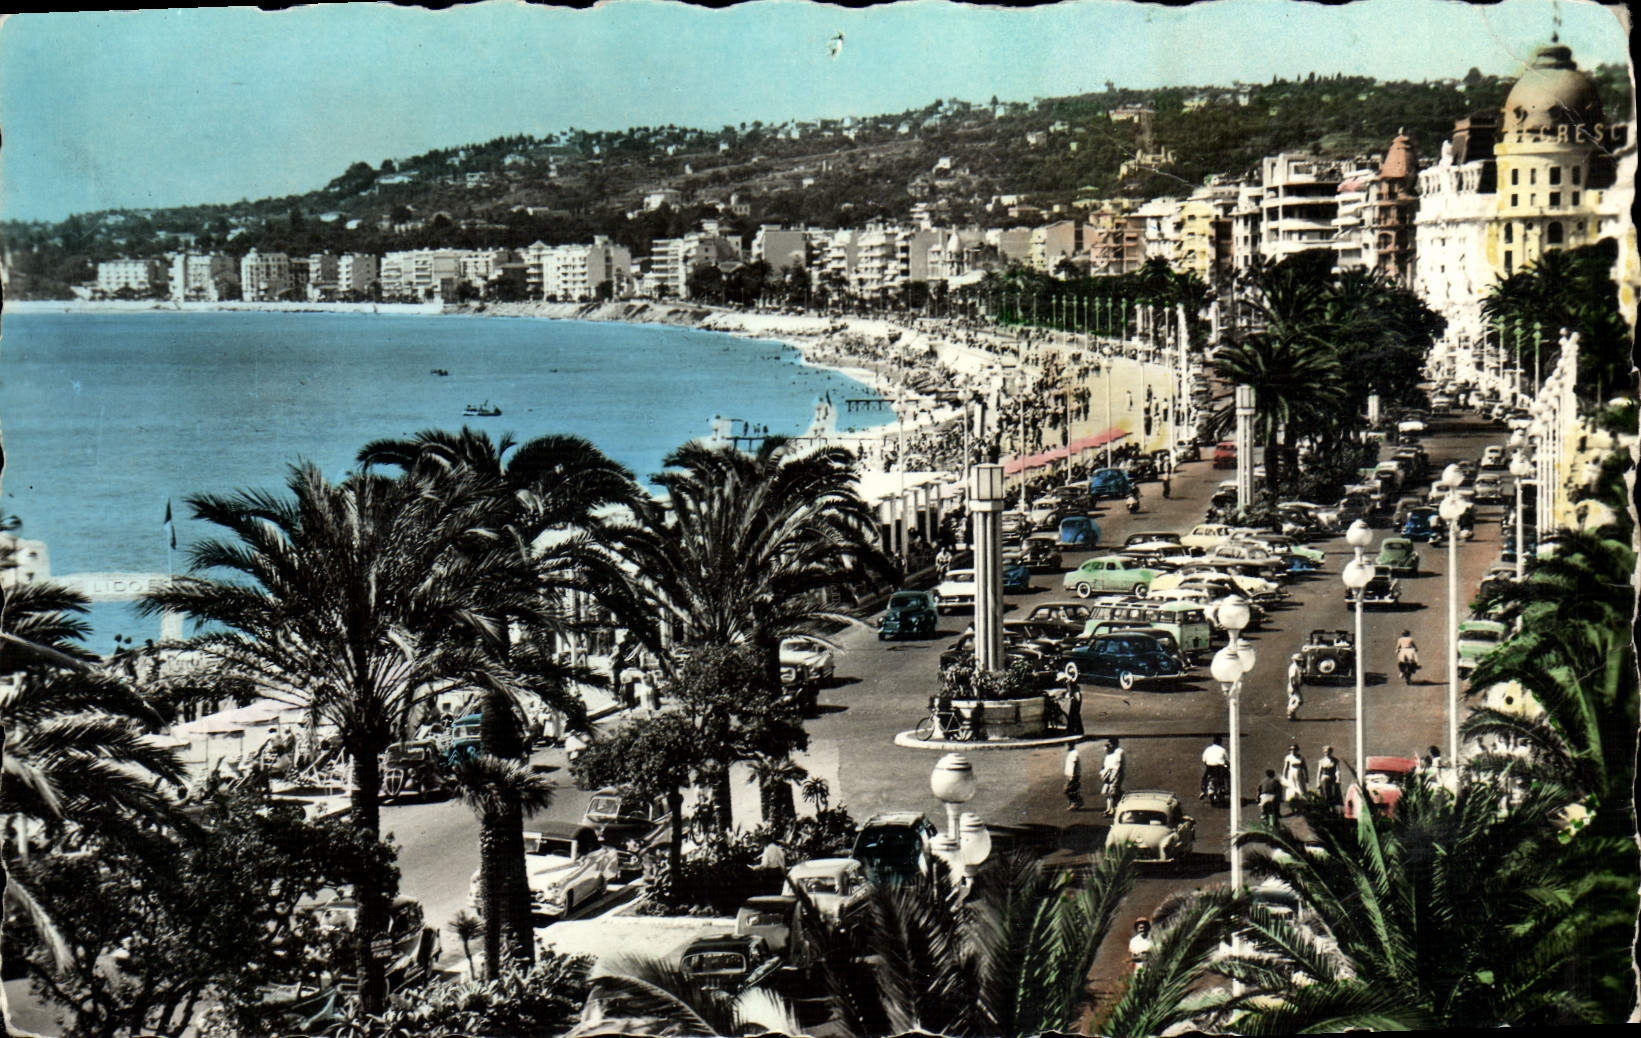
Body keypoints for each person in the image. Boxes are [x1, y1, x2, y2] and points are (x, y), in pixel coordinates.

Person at [1100, 738, 1126, 816]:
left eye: (1110, 744)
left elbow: (1117, 766)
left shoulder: (1119, 752)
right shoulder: (1109, 754)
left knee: (1113, 792)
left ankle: (1113, 810)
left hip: (1116, 773)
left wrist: (1113, 775)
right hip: (1108, 774)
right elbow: (1105, 765)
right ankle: (1109, 808)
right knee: (1108, 792)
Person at [1200, 735, 1230, 800]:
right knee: (1227, 776)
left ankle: (1203, 790)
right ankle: (1228, 788)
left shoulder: (1208, 749)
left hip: (1210, 767)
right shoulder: (1222, 750)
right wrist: (1228, 765)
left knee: (1205, 777)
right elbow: (1227, 760)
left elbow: (1204, 760)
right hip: (1220, 767)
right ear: (1220, 742)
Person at [1281, 744, 1309, 811]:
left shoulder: (1301, 757)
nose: (1292, 751)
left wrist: (1306, 776)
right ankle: (1293, 804)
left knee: (1300, 787)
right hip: (1291, 774)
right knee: (1292, 788)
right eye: (1291, 749)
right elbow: (1286, 768)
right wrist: (1284, 776)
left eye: (1294, 749)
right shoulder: (1288, 757)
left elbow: (1305, 768)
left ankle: (1302, 804)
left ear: (1297, 750)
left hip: (1299, 774)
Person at [1061, 672, 1084, 737]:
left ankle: (1073, 731)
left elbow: (1073, 693)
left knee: (1074, 714)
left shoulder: (1071, 683)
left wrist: (1070, 696)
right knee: (1074, 714)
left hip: (1076, 699)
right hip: (1075, 699)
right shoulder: (1069, 683)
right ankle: (1076, 730)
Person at [1063, 744, 1084, 811]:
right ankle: (1075, 802)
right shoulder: (1071, 753)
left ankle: (1076, 802)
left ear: (1070, 745)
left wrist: (1071, 775)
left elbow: (1073, 764)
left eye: (1066, 745)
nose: (1065, 747)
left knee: (1069, 789)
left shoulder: (1073, 753)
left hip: (1073, 775)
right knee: (1070, 789)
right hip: (1071, 775)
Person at [1286, 654, 1304, 721]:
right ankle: (1290, 711)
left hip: (1294, 686)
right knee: (1299, 701)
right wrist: (1295, 688)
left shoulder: (1296, 667)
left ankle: (1291, 716)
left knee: (1292, 700)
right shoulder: (1293, 668)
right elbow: (1292, 679)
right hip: (1293, 686)